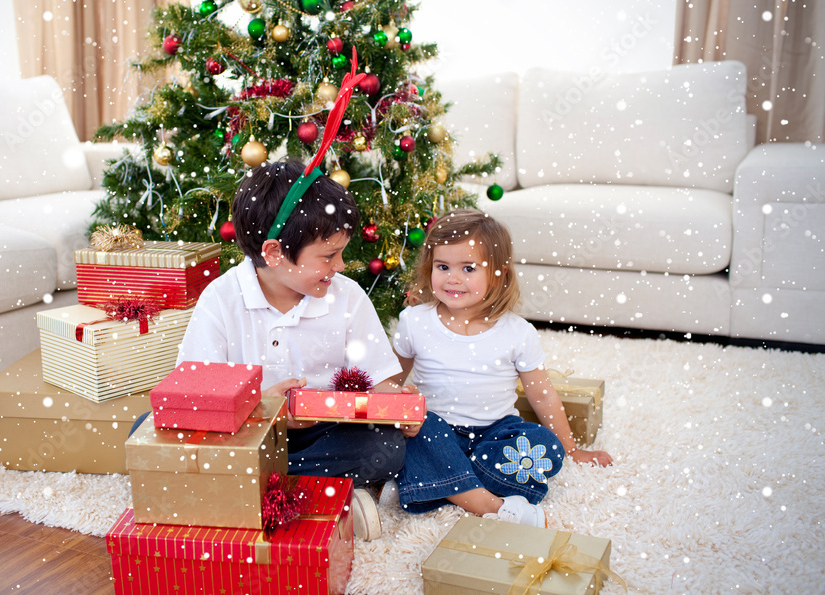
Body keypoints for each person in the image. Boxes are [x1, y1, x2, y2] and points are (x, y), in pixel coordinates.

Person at [175, 158, 419, 541]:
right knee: (155, 432)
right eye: (327, 256)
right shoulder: (221, 299)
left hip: (325, 432)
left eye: (340, 252)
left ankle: (260, 493)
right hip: (246, 434)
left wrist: (399, 407)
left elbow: (380, 382)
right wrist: (262, 410)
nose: (339, 265)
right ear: (273, 253)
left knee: (385, 448)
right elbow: (196, 394)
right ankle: (321, 497)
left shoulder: (348, 297)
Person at [389, 209, 612, 527]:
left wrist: (571, 447)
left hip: (495, 434)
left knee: (545, 447)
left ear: (499, 273)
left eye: (468, 268)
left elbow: (542, 395)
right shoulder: (415, 321)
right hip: (435, 429)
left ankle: (434, 483)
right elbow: (390, 380)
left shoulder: (518, 332)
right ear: (430, 268)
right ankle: (488, 502)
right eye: (443, 267)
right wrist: (401, 403)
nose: (453, 278)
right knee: (411, 431)